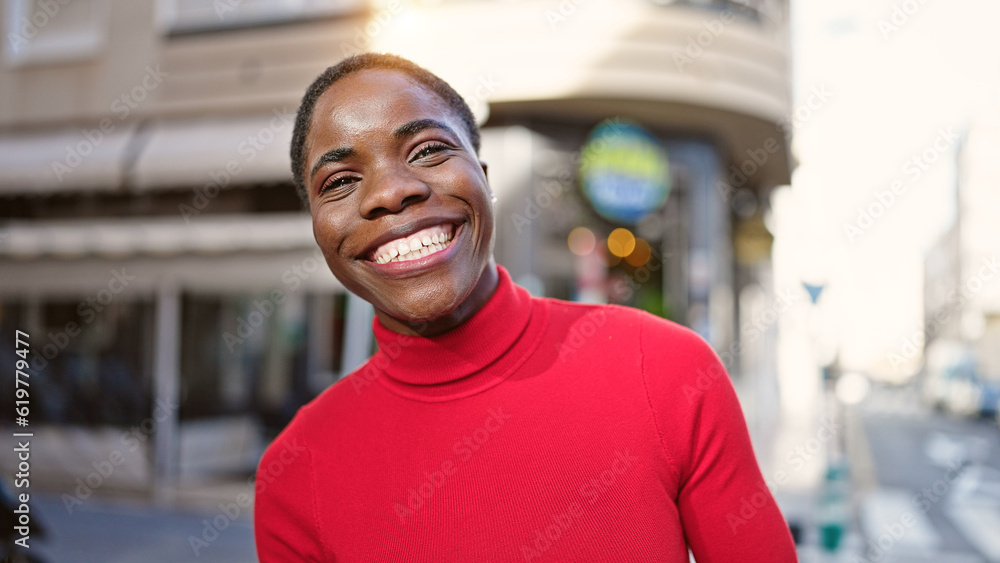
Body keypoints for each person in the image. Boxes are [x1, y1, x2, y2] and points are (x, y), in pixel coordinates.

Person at [254, 53, 798, 562]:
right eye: (342, 181)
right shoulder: (295, 472)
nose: (391, 192)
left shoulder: (664, 368)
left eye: (427, 150)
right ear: (319, 232)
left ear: (485, 181)